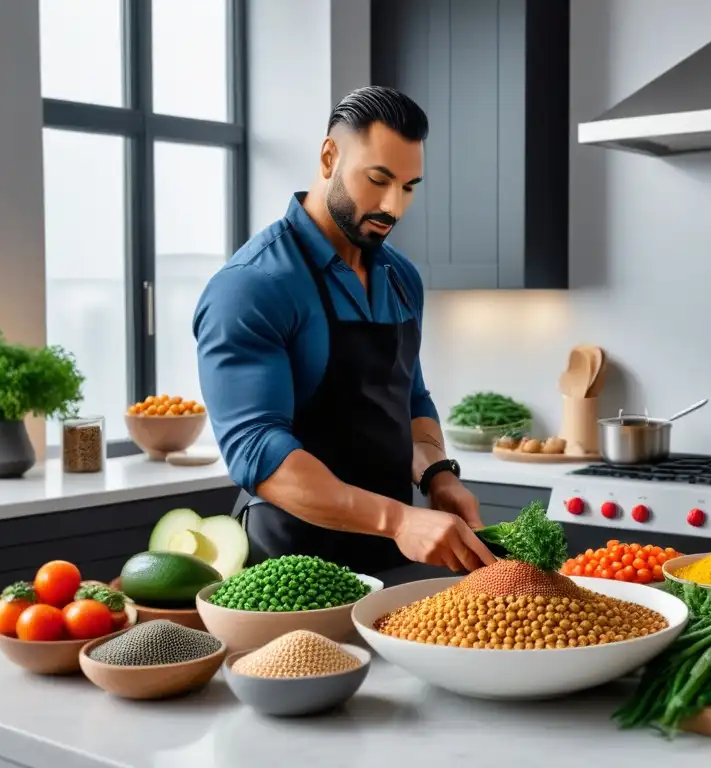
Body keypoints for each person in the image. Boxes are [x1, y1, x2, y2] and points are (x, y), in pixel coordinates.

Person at [192, 86, 496, 576]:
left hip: (393, 560)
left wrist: (438, 476)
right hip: (290, 571)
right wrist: (398, 520)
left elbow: (411, 399)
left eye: (410, 186)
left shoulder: (401, 278)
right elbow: (257, 451)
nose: (393, 206)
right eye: (377, 179)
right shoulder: (253, 286)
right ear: (329, 157)